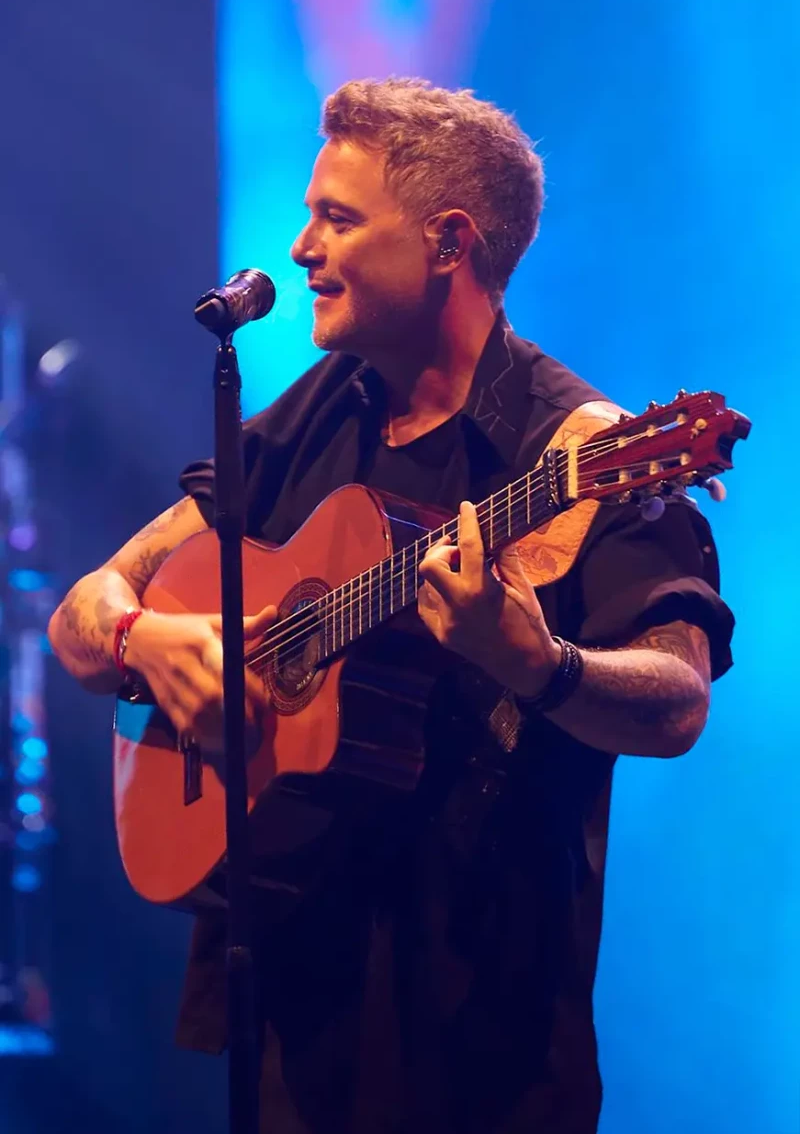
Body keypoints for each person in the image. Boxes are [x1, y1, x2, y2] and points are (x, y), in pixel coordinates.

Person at [48, 78, 734, 1133]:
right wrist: (152, 635)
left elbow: (676, 700)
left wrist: (535, 660)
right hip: (292, 1009)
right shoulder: (323, 406)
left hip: (481, 1044)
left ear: (447, 241)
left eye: (336, 218)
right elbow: (87, 611)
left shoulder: (587, 450)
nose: (298, 247)